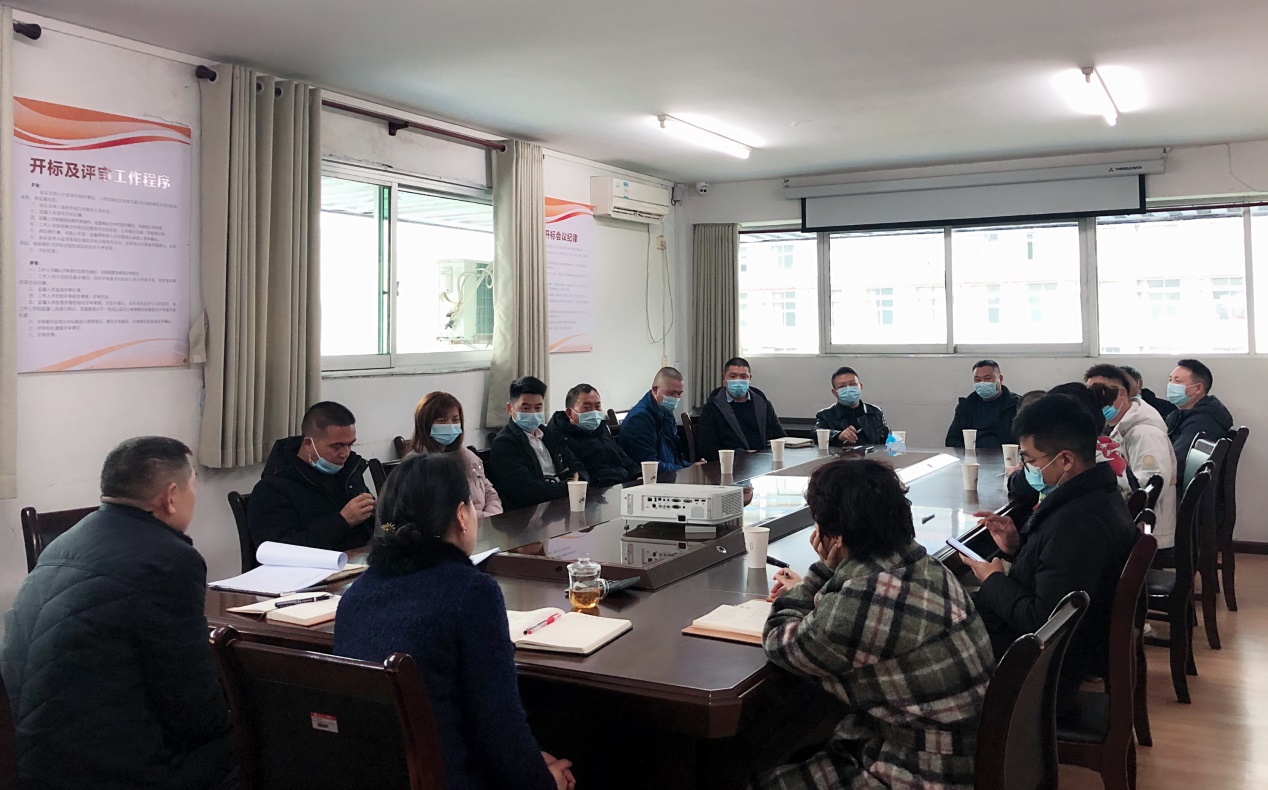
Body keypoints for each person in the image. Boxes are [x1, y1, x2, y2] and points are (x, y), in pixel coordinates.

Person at [1, 437, 237, 790]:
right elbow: (190, 702)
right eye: (193, 486)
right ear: (171, 496)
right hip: (105, 767)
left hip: (28, 755)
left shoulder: (64, 542)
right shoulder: (170, 559)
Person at [333, 454, 574, 790]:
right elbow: (498, 726)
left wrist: (529, 760)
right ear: (462, 515)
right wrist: (543, 782)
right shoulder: (471, 592)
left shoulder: (355, 595)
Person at [757, 459, 992, 789]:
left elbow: (779, 641)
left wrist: (820, 572)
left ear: (835, 537)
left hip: (925, 771)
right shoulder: (922, 563)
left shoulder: (862, 599)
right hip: (968, 752)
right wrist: (837, 567)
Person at [957, 394, 1138, 717]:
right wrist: (1017, 547)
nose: (1026, 468)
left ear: (1065, 459)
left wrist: (993, 580)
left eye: (1030, 460)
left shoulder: (1078, 522)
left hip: (1047, 665)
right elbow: (1060, 571)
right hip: (1071, 642)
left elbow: (1043, 622)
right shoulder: (1097, 495)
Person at [248, 401, 375, 552]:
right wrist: (342, 521)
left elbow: (372, 529)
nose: (345, 454)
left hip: (358, 559)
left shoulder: (349, 472)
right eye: (337, 446)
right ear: (308, 443)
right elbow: (278, 551)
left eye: (350, 445)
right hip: (312, 565)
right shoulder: (272, 489)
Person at [1085, 364, 1178, 551]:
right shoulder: (1120, 426)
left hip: (1147, 531)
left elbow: (1149, 487)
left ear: (1121, 393)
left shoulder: (1145, 432)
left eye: (1100, 394)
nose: (1095, 402)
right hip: (1128, 520)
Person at [487, 376, 587, 511]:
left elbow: (578, 467)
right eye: (525, 408)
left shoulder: (549, 434)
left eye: (538, 407)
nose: (533, 413)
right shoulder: (504, 444)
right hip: (529, 514)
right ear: (510, 408)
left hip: (562, 505)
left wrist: (579, 482)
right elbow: (526, 491)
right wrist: (570, 487)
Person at [405, 391, 502, 518]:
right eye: (442, 421)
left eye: (455, 420)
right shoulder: (416, 463)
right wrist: (481, 518)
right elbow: (444, 510)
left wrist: (492, 515)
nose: (450, 426)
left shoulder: (469, 457)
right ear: (425, 423)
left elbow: (489, 491)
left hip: (484, 522)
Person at [547, 383, 640, 487]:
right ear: (569, 413)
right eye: (586, 407)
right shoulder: (558, 436)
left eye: (597, 406)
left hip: (623, 484)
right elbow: (578, 473)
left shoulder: (601, 428)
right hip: (596, 489)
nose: (594, 412)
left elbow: (622, 457)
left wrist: (638, 474)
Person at [698, 357, 787, 461]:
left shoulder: (763, 404)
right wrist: (740, 454)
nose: (738, 380)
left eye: (743, 377)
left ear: (750, 378)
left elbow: (779, 437)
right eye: (733, 376)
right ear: (724, 378)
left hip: (764, 461)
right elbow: (707, 448)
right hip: (732, 464)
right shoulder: (712, 408)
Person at [618, 366, 702, 474]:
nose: (676, 398)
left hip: (670, 475)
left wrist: (692, 467)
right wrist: (685, 470)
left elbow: (676, 458)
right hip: (651, 479)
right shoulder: (638, 420)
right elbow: (650, 466)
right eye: (671, 393)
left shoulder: (666, 412)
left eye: (679, 394)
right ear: (655, 390)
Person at [1165, 359, 1234, 483]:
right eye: (1170, 380)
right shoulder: (1181, 415)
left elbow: (1177, 463)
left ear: (1198, 388)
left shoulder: (1202, 422)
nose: (1171, 385)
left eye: (1178, 381)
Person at [945, 360, 1022, 449]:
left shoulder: (1017, 405)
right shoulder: (966, 406)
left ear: (1000, 379)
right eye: (977, 380)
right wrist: (968, 453)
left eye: (987, 378)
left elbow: (1026, 439)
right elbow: (952, 439)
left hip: (1007, 455)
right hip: (973, 455)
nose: (982, 383)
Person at [813, 366, 890, 446]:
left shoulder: (875, 412)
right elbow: (816, 432)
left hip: (874, 454)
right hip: (842, 454)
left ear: (860, 387)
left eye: (852, 384)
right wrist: (838, 435)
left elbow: (888, 438)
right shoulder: (826, 415)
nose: (848, 389)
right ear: (835, 393)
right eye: (842, 386)